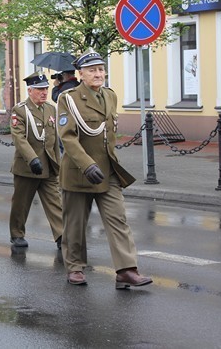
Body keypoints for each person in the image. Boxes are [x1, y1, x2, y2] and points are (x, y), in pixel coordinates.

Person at [57, 49, 152, 289]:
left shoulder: (110, 96)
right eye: (92, 70)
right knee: (75, 224)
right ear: (81, 74)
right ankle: (75, 267)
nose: (98, 74)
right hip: (79, 171)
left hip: (107, 170)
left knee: (118, 218)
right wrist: (87, 164)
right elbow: (67, 137)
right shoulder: (68, 99)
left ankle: (126, 269)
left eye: (100, 69)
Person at [9, 71, 63, 249]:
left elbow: (53, 138)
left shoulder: (50, 108)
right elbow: (19, 138)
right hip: (27, 167)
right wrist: (32, 159)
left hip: (48, 165)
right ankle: (17, 234)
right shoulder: (20, 110)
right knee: (21, 204)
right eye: (40, 89)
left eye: (46, 88)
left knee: (55, 202)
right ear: (30, 90)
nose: (44, 92)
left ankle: (62, 235)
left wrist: (58, 163)